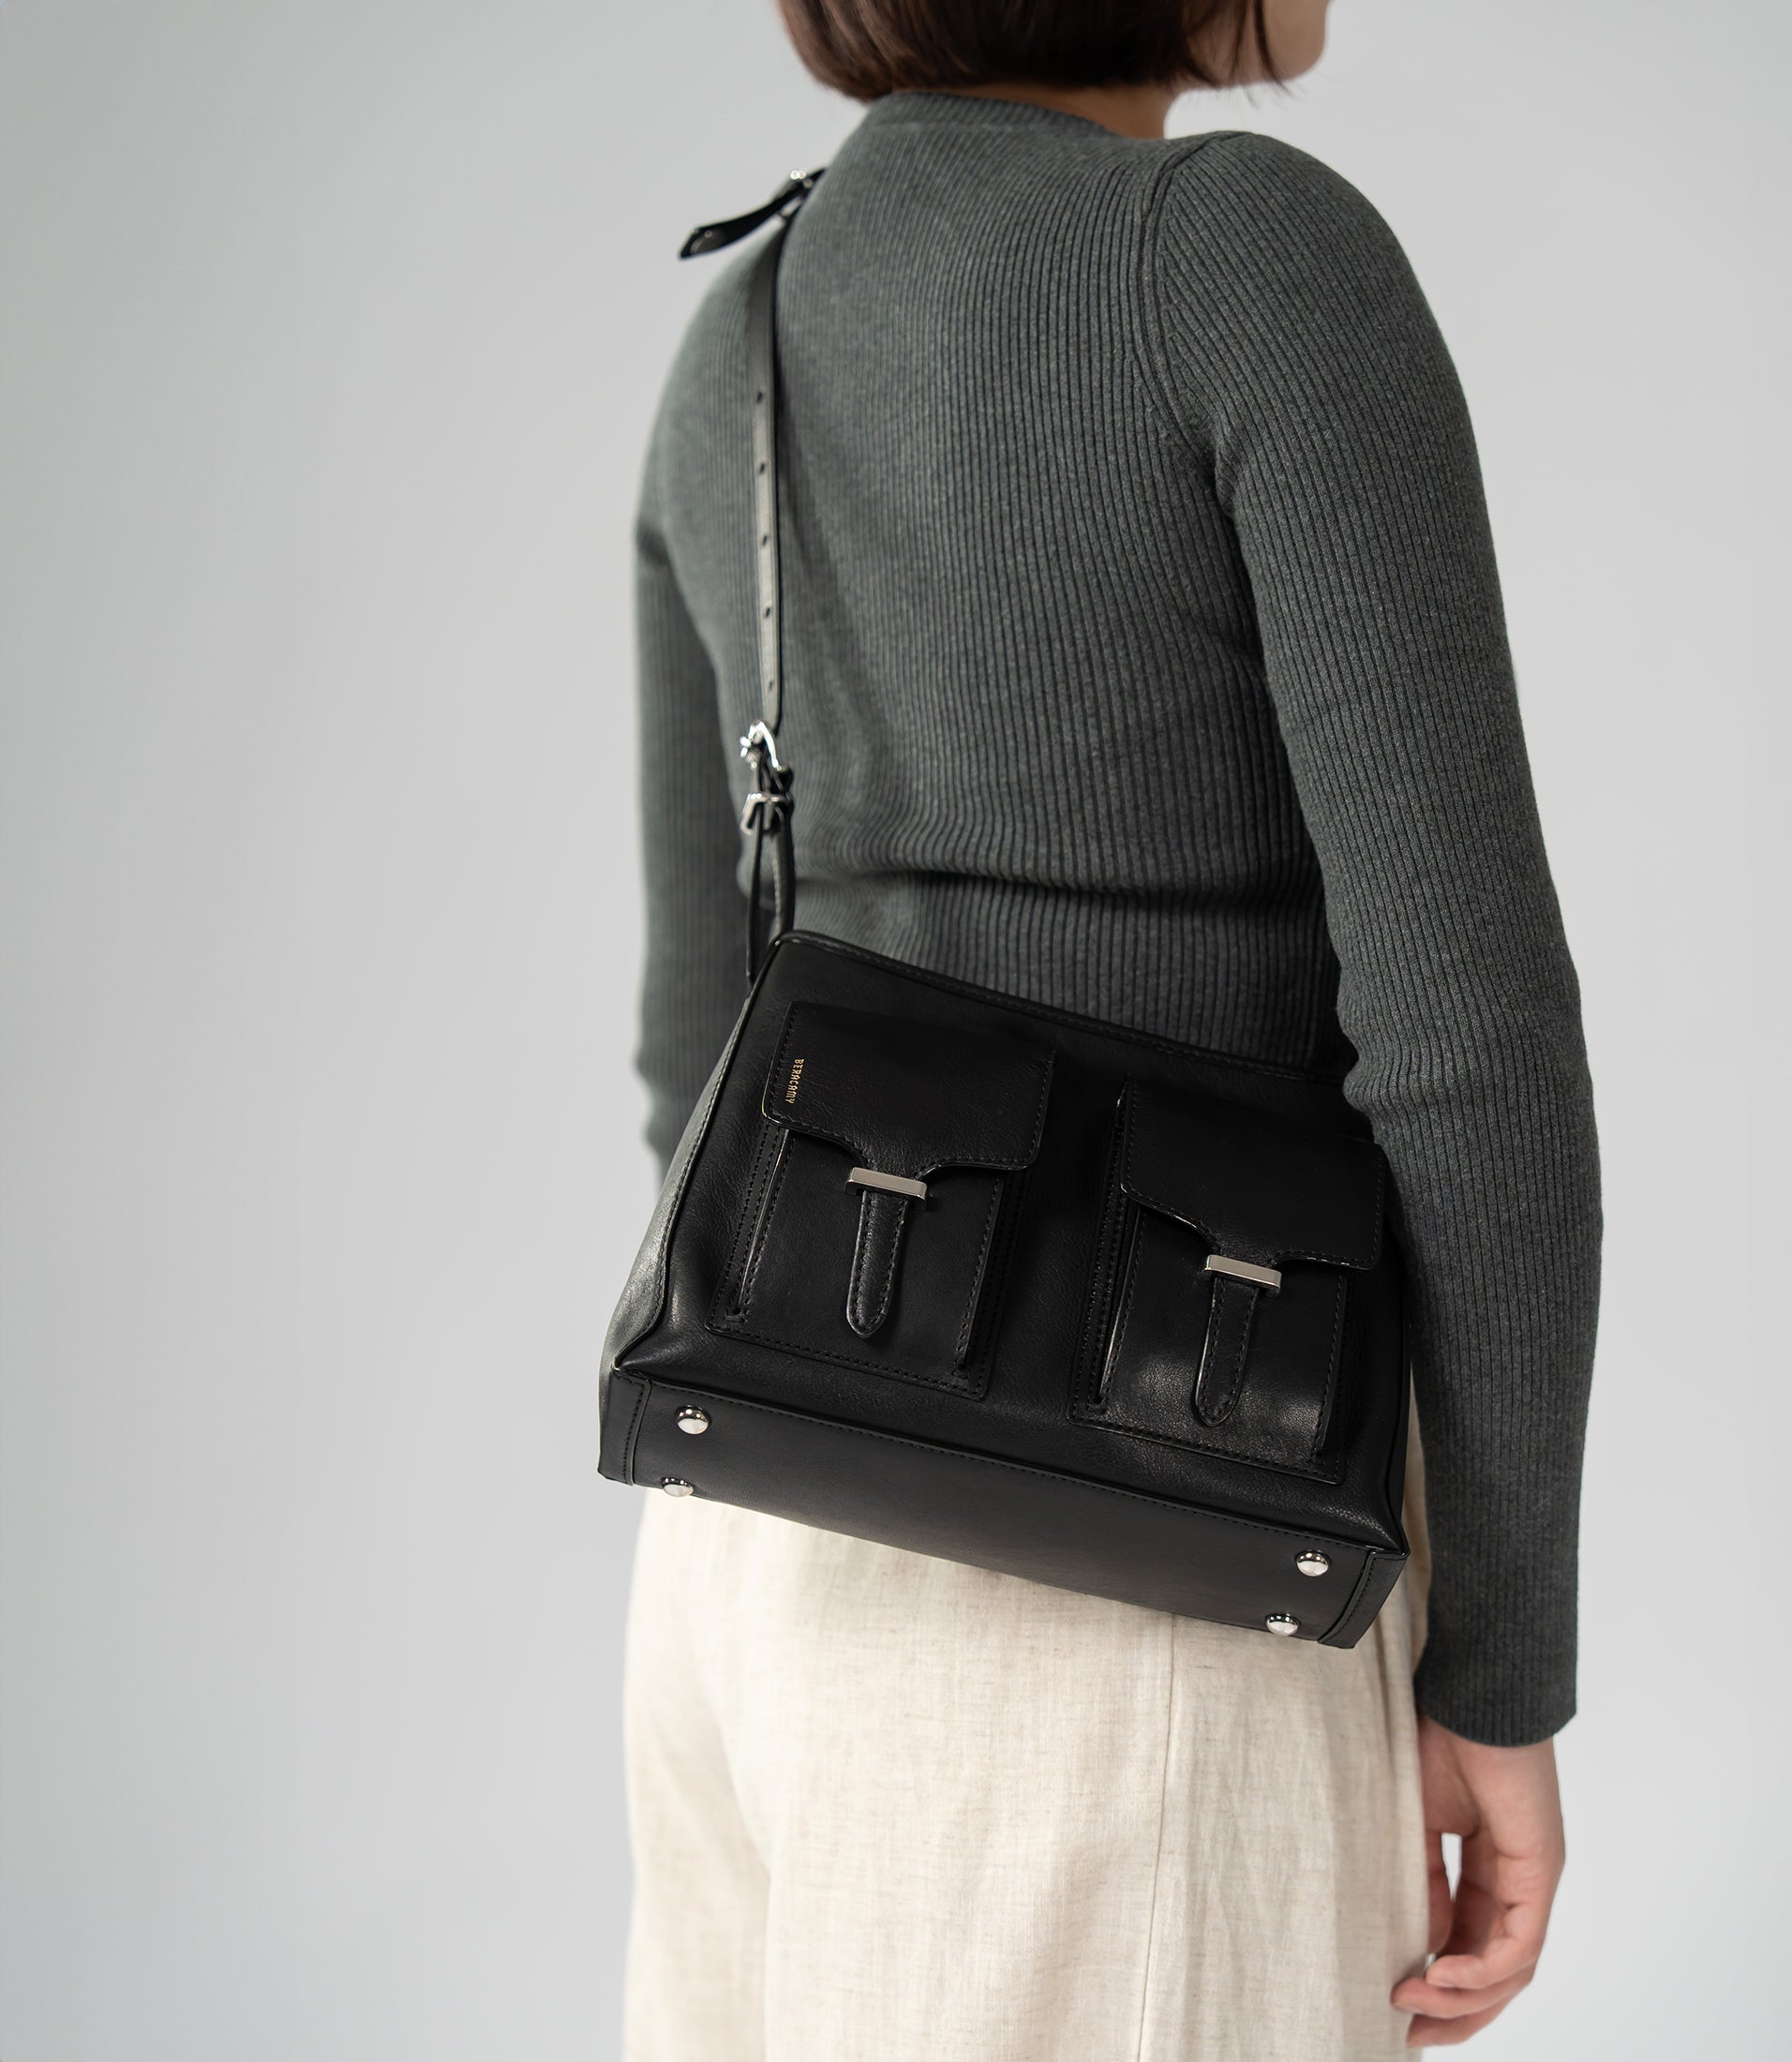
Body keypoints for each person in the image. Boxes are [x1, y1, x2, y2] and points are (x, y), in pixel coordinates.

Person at [620, 1, 1602, 2054]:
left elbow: (697, 1051)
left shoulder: (739, 340)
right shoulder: (1237, 262)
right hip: (1153, 1573)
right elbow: (1467, 1040)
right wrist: (1496, 1667)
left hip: (753, 1592)